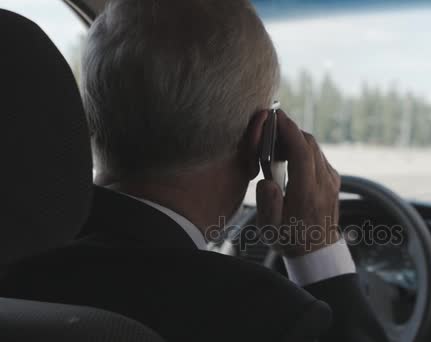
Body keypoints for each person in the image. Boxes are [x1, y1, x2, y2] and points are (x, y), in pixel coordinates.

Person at [0, 1, 388, 341]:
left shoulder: (16, 259)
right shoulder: (258, 313)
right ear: (262, 138)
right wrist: (318, 253)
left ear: (91, 116)